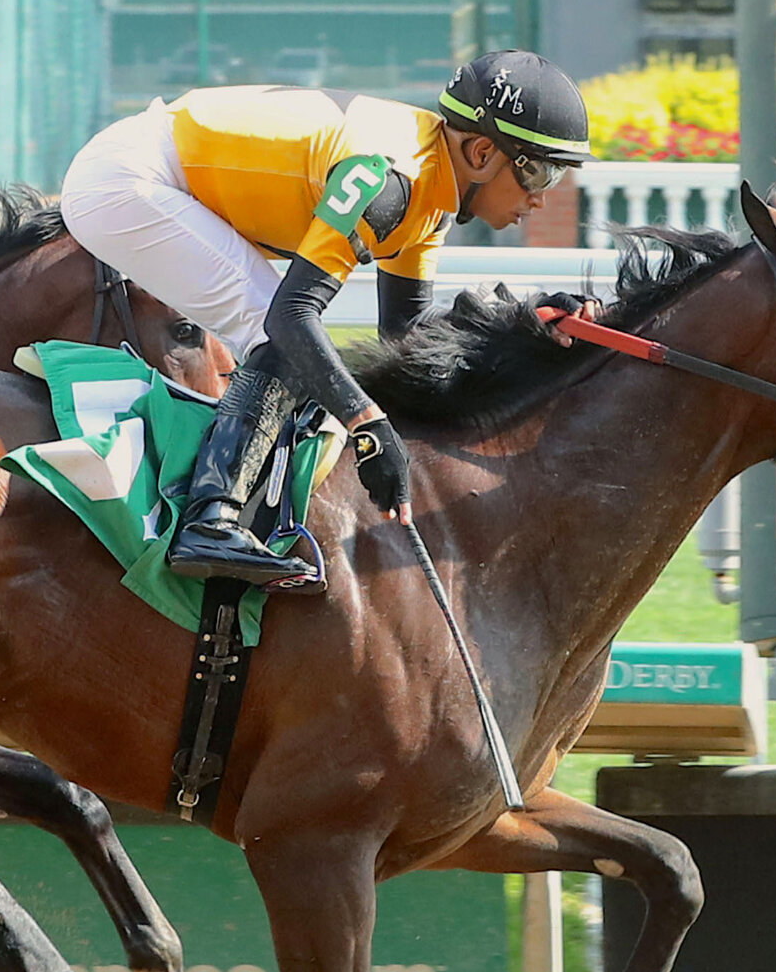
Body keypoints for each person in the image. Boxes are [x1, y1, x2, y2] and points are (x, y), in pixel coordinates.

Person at [59, 51, 590, 590]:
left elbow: (406, 337)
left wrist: (523, 324)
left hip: (149, 167)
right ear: (480, 151)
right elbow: (292, 318)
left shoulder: (431, 197)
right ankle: (210, 518)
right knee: (278, 331)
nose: (542, 197)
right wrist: (365, 424)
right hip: (130, 179)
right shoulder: (392, 183)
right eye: (539, 169)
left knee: (290, 344)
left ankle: (219, 511)